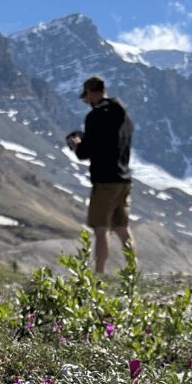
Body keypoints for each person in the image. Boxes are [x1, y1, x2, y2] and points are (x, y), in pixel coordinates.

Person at [65, 75, 134, 274]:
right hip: (124, 178)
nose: (87, 102)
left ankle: (99, 274)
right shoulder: (125, 117)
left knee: (101, 228)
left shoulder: (96, 116)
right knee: (122, 228)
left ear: (91, 92)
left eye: (86, 97)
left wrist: (77, 145)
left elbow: (87, 152)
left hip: (105, 180)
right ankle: (132, 271)